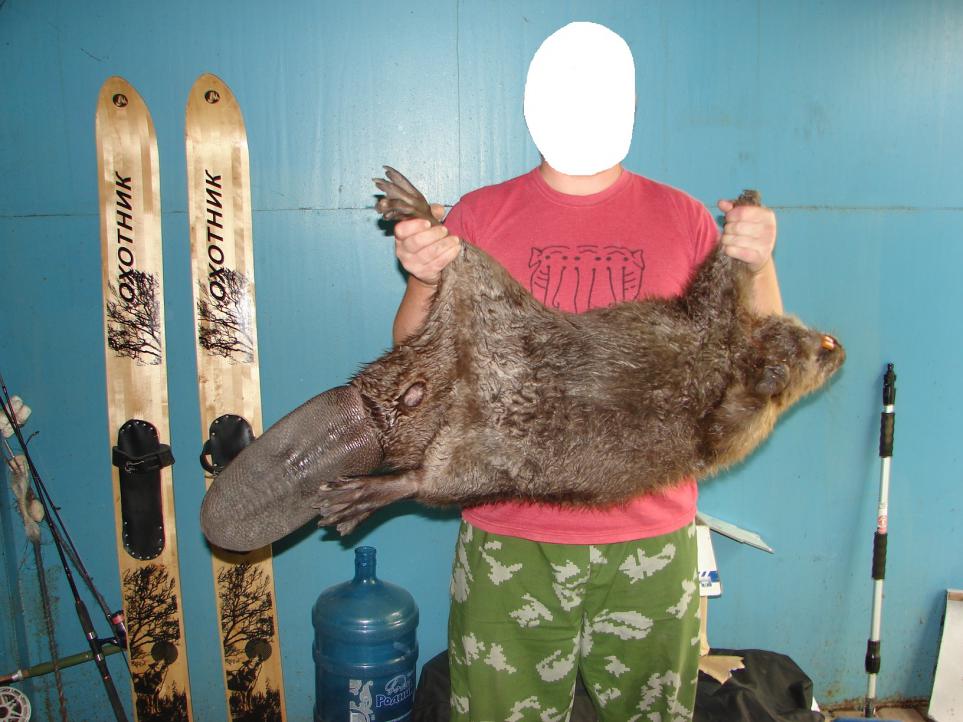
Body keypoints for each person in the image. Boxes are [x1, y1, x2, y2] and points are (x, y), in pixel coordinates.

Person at [391, 22, 781, 722]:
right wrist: (423, 280)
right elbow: (417, 358)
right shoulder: (481, 215)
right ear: (533, 103)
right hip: (510, 534)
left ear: (628, 104)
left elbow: (756, 362)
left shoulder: (685, 219)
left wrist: (759, 264)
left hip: (650, 536)